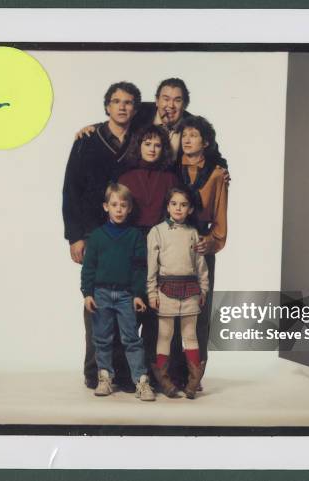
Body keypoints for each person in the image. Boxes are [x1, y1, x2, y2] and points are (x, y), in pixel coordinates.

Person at [62, 81, 142, 391]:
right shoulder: (87, 140)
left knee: (126, 302)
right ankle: (95, 372)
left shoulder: (140, 137)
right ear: (107, 106)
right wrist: (75, 236)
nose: (123, 107)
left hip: (128, 233)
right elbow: (70, 190)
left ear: (136, 108)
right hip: (95, 233)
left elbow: (154, 108)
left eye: (129, 102)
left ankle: (122, 373)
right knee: (97, 305)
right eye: (116, 102)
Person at [169, 115, 229, 390]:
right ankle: (171, 374)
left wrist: (212, 242)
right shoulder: (171, 167)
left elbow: (220, 215)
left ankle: (195, 374)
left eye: (194, 135)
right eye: (184, 135)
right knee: (171, 309)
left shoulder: (217, 172)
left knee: (199, 311)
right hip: (172, 242)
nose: (188, 140)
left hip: (201, 244)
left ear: (206, 142)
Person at [81, 183, 155, 401]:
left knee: (131, 339)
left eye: (123, 205)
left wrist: (138, 294)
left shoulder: (134, 236)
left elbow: (140, 268)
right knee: (102, 339)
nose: (119, 209)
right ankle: (105, 377)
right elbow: (89, 268)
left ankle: (141, 381)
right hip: (101, 293)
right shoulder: (96, 236)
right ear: (106, 207)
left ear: (130, 208)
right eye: (114, 205)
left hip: (125, 296)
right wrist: (87, 293)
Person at [117, 124, 180, 371]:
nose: (152, 149)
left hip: (161, 247)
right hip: (133, 245)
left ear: (163, 148)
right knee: (130, 309)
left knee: (157, 312)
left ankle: (154, 371)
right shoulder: (126, 177)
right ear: (138, 146)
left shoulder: (170, 178)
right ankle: (126, 371)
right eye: (147, 143)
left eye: (157, 144)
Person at [76, 78, 228, 171]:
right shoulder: (142, 112)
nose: (170, 105)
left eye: (177, 100)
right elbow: (119, 116)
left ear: (185, 104)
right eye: (165, 98)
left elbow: (212, 154)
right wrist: (95, 128)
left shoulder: (194, 125)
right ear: (156, 100)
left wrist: (222, 171)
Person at [147, 187, 209, 399]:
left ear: (190, 209)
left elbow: (201, 266)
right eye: (174, 204)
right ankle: (164, 380)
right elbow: (151, 267)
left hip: (191, 289)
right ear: (167, 206)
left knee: (190, 335)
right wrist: (151, 293)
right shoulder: (156, 232)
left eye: (183, 205)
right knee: (165, 335)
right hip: (165, 289)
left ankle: (193, 381)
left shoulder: (193, 234)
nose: (178, 208)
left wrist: (204, 289)